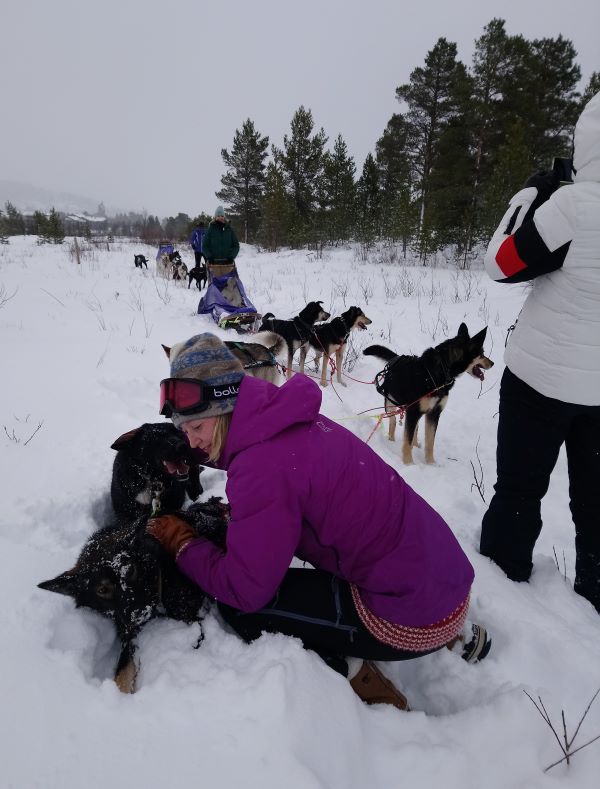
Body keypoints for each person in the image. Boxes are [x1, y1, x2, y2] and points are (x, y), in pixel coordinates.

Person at [149, 333, 491, 710]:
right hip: (446, 579)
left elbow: (245, 588)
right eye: (184, 430)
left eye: (197, 428)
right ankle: (455, 635)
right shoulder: (282, 417)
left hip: (410, 618)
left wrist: (185, 545)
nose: (191, 440)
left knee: (241, 607)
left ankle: (352, 671)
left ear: (227, 404)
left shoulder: (261, 469)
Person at [480, 91, 600, 612]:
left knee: (520, 492)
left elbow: (502, 263)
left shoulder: (571, 206)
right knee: (596, 508)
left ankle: (506, 586)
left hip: (538, 384)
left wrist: (529, 196)